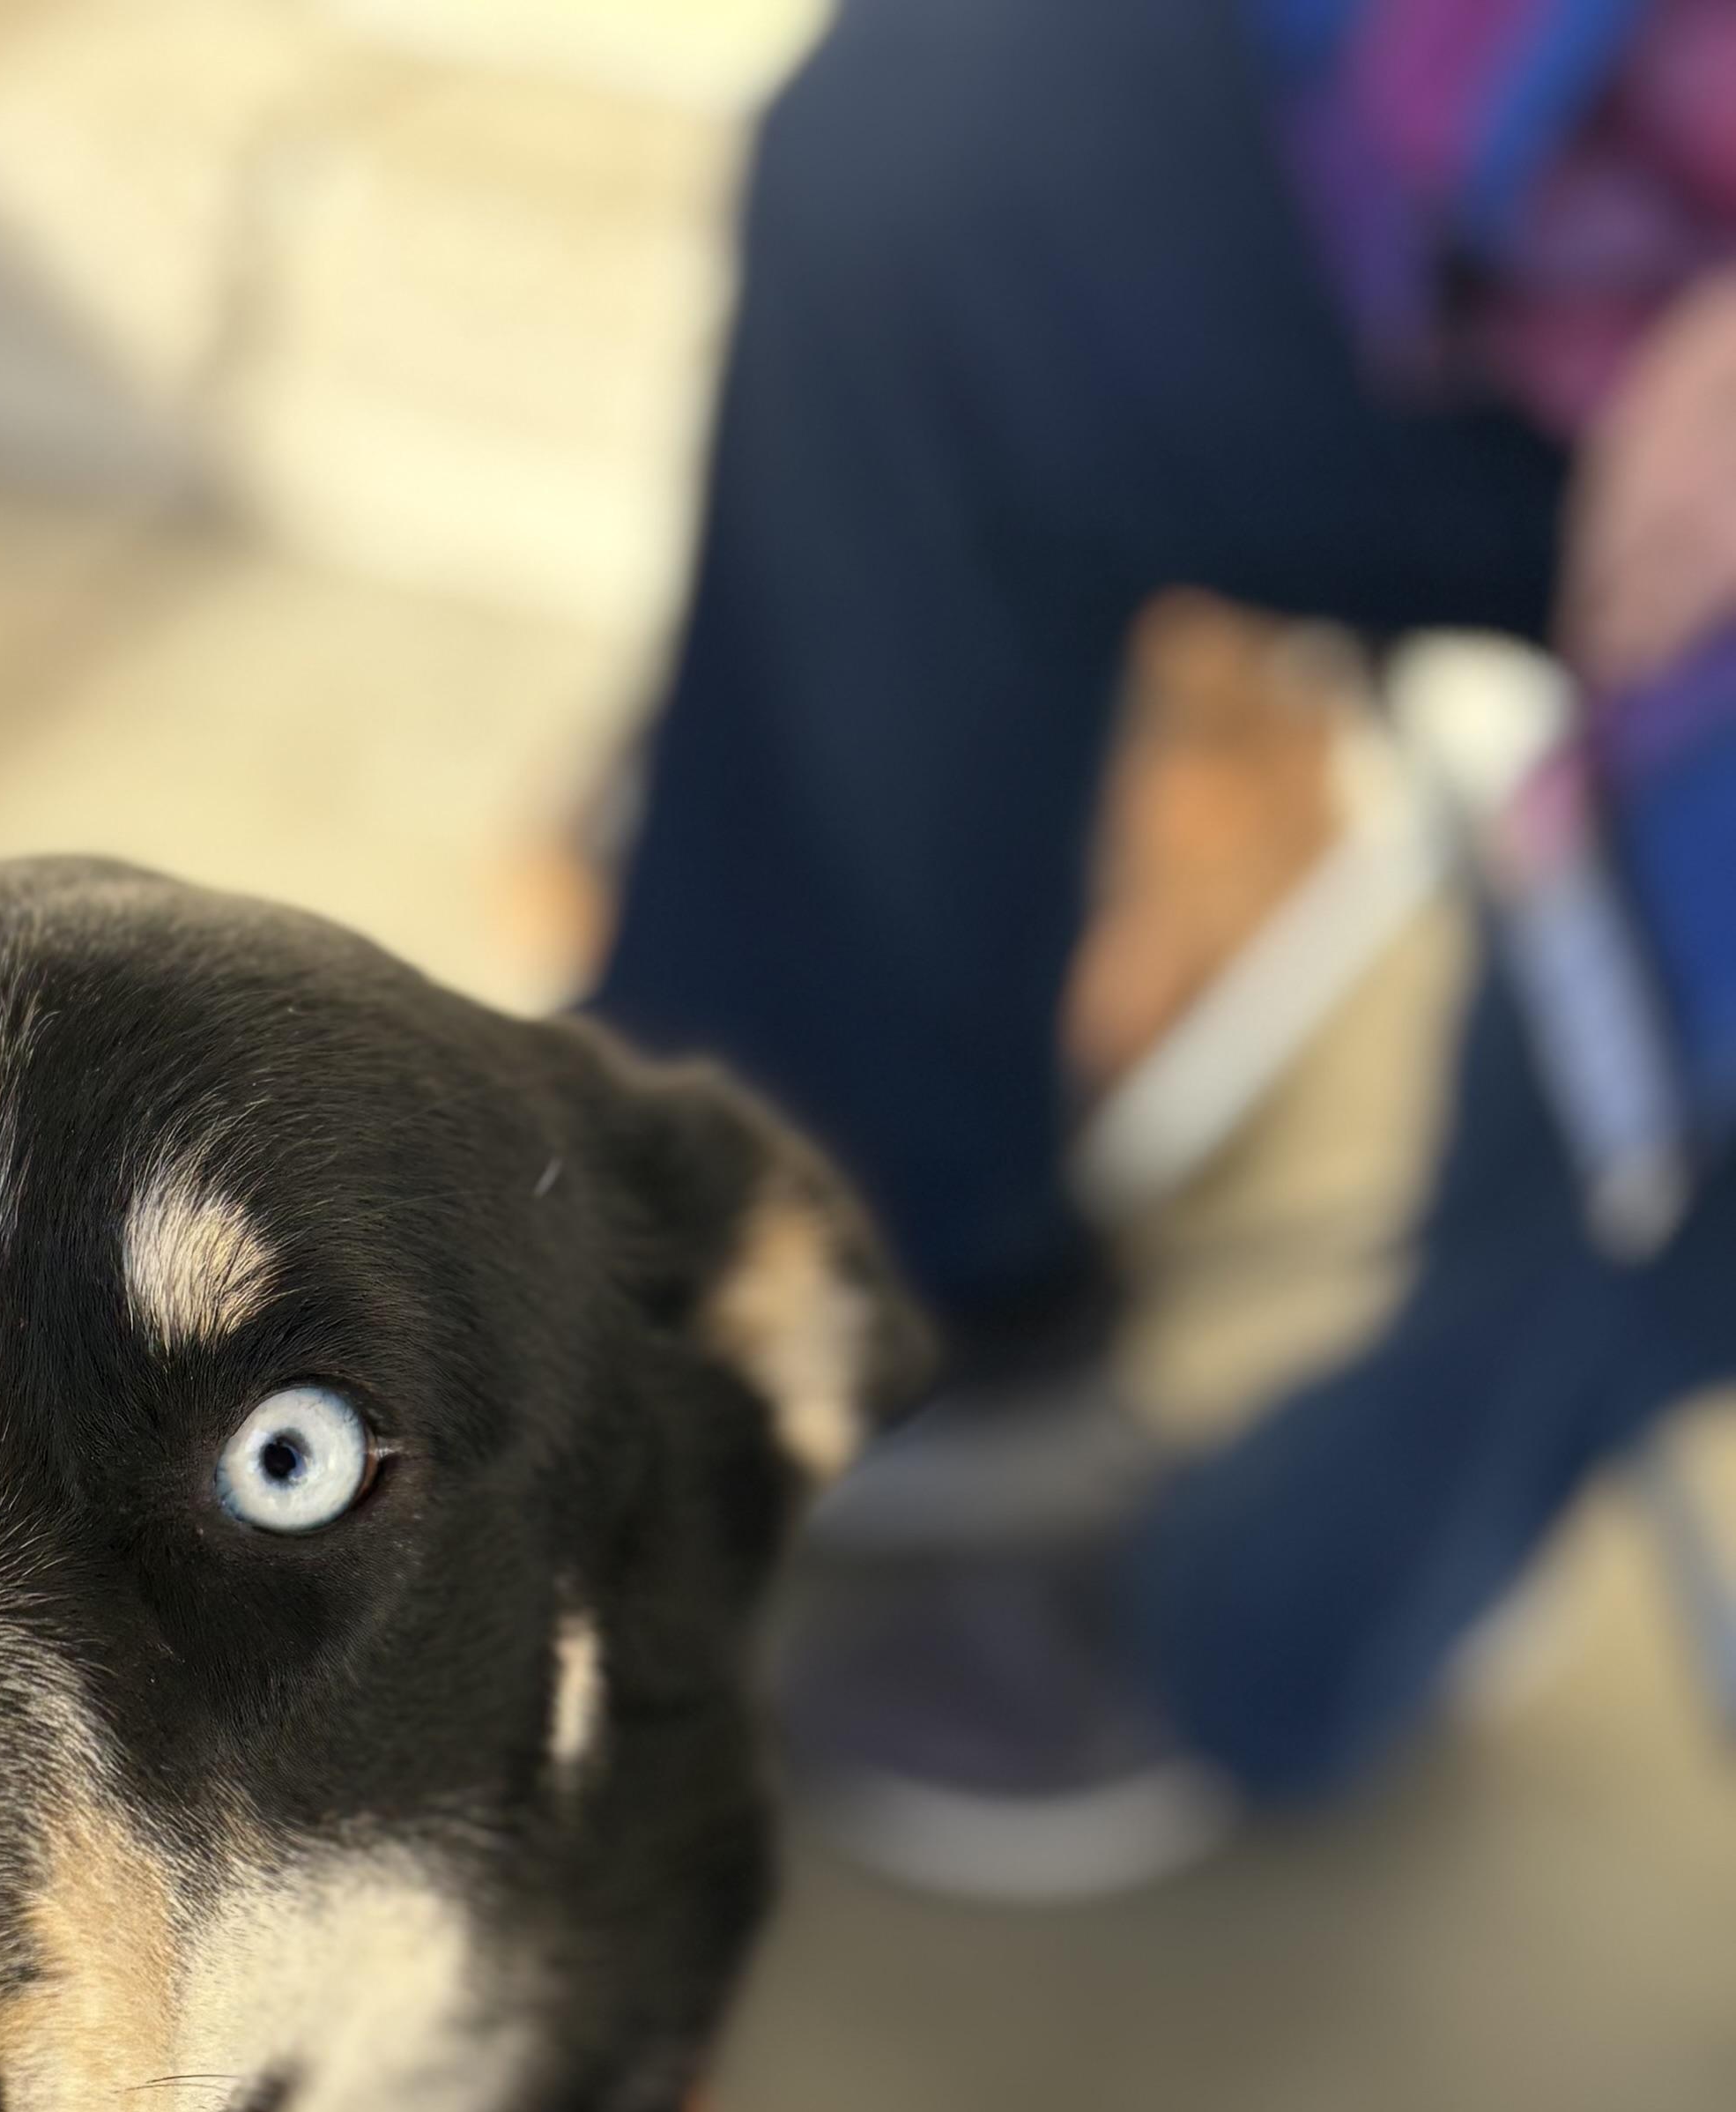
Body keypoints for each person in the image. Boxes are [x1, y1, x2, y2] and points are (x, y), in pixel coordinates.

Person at [595, 0, 1736, 1896]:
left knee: (1654, 1044)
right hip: (1608, 147)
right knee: (921, 180)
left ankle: (1272, 1619)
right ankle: (878, 1264)